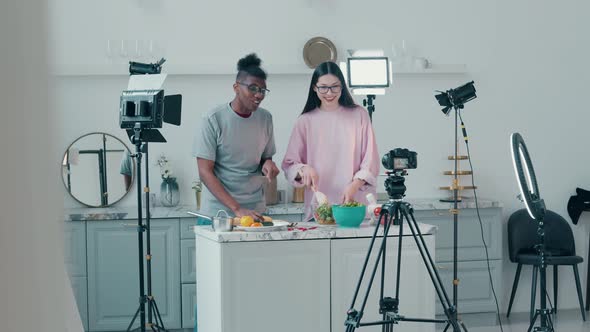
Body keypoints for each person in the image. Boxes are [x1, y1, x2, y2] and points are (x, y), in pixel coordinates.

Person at [281, 61, 380, 221]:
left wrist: (353, 186)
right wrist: (303, 169)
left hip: (355, 204)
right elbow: (289, 165)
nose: (329, 93)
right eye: (323, 87)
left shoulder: (359, 114)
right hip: (319, 210)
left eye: (335, 86)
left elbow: (370, 160)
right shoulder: (305, 121)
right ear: (315, 87)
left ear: (342, 86)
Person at [194, 53, 280, 220]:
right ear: (236, 88)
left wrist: (268, 162)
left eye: (262, 90)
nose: (259, 95)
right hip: (218, 214)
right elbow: (204, 172)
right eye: (253, 88)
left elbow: (265, 156)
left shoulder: (265, 118)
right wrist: (237, 208)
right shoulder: (213, 119)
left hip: (255, 211)